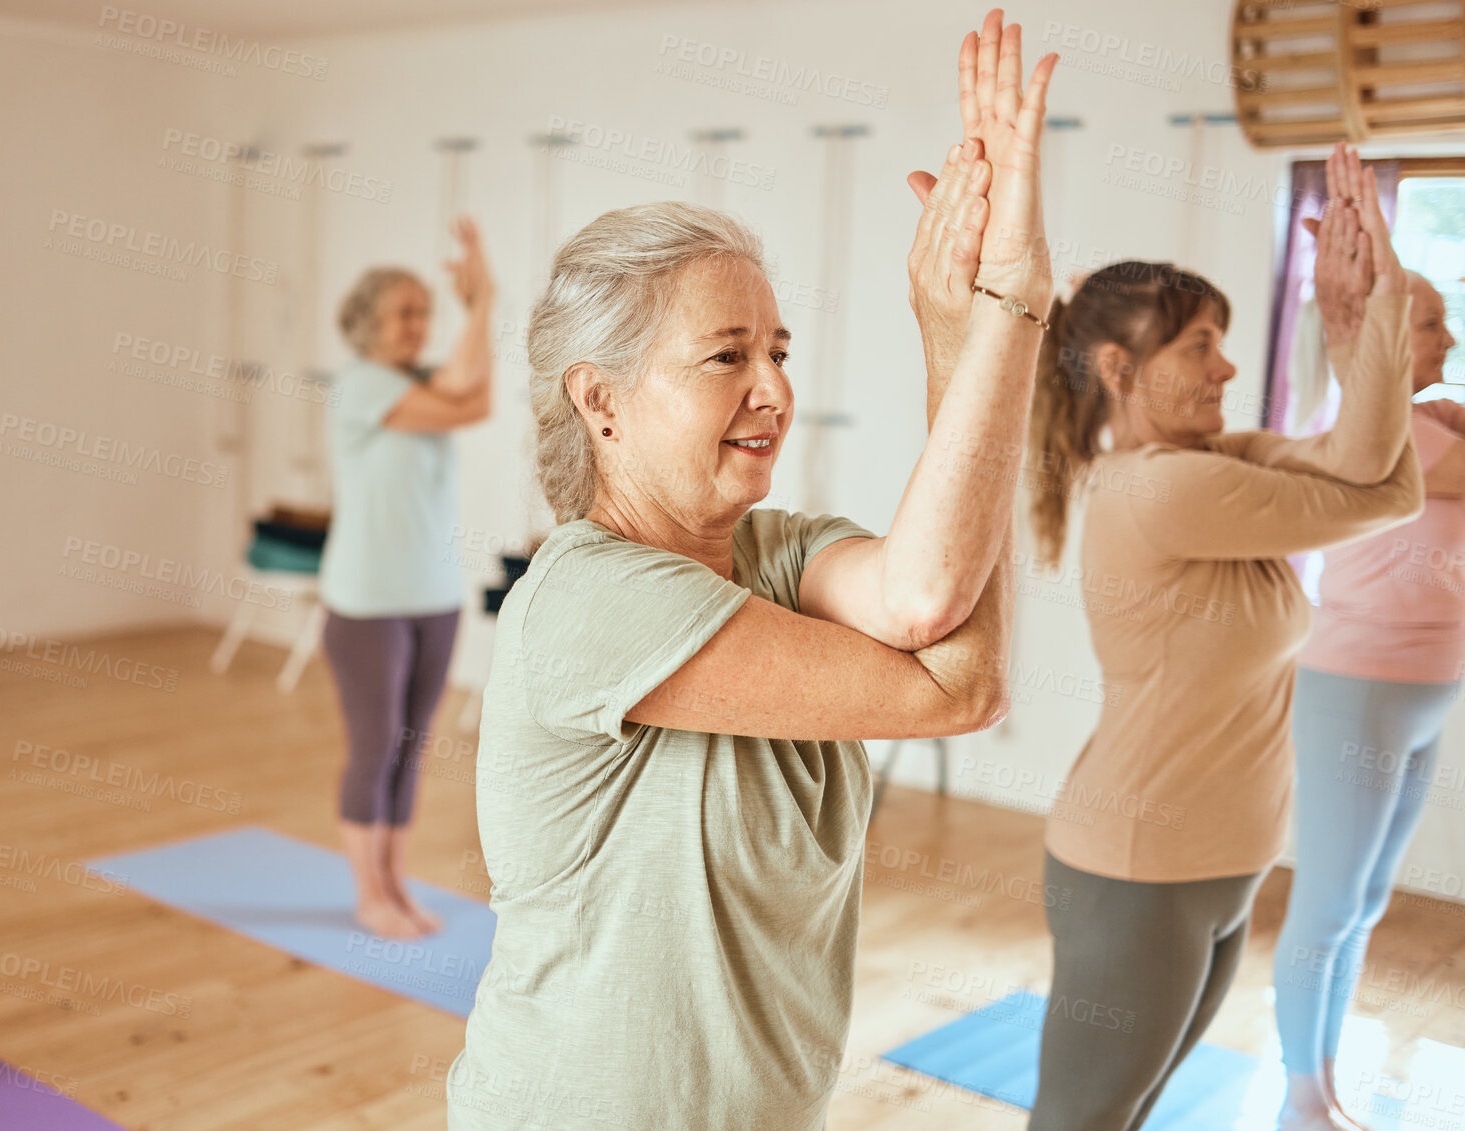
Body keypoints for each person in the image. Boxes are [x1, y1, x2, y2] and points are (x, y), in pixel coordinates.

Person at [446, 12, 1057, 1128]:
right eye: (725, 356)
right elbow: (955, 678)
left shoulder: (779, 553)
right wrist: (1012, 315)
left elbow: (930, 590)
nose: (771, 388)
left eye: (776, 351)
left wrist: (953, 329)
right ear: (602, 402)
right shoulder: (589, 600)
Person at [1023, 145, 1424, 1131]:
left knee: (1136, 1106)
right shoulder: (1167, 487)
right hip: (1134, 866)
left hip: (1218, 860)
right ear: (1119, 369)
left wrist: (1346, 321)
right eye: (1200, 345)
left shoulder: (1213, 459)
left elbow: (1380, 472)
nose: (1227, 366)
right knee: (1082, 1119)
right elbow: (1383, 490)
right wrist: (1383, 302)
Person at [1274, 269, 1463, 1131]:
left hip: (1430, 684)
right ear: (1380, 337)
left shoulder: (1429, 422)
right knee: (1329, 901)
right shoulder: (1387, 428)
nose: (1451, 342)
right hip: (1357, 688)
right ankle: (1301, 1096)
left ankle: (1324, 1080)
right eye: (1430, 325)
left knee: (1369, 900)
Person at [322, 217, 494, 940]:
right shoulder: (361, 385)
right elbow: (466, 398)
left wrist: (482, 302)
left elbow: (474, 397)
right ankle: (369, 894)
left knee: (412, 744)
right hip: (368, 603)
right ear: (368, 324)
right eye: (405, 313)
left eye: (426, 312)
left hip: (435, 596)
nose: (418, 325)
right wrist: (480, 306)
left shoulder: (419, 382)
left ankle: (395, 883)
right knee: (375, 742)